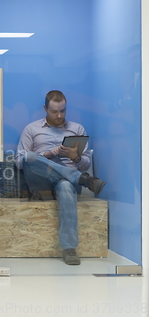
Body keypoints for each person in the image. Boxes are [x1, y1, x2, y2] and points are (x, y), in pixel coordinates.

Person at [15, 90, 106, 266]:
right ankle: (82, 179)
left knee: (65, 185)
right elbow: (20, 162)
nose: (59, 115)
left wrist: (75, 157)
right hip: (41, 181)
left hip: (67, 184)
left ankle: (69, 249)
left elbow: (86, 163)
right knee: (30, 156)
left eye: (63, 111)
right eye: (54, 111)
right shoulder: (32, 129)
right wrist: (48, 154)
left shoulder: (77, 129)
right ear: (45, 108)